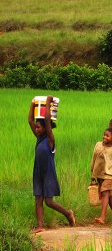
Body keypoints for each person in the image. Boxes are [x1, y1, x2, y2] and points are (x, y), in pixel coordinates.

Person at [28, 95, 75, 234]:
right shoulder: (39, 138)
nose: (36, 129)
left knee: (49, 201)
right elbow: (30, 120)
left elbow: (47, 121)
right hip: (38, 172)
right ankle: (40, 225)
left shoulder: (50, 139)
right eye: (35, 128)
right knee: (38, 199)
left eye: (38, 127)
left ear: (45, 128)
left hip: (48, 173)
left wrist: (47, 102)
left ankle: (68, 214)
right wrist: (32, 104)